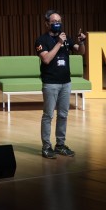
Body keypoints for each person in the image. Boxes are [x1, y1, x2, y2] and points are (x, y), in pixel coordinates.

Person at [35, 9, 87, 159]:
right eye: (54, 22)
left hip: (66, 82)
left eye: (59, 21)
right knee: (48, 115)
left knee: (63, 115)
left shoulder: (66, 38)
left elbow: (80, 51)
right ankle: (46, 147)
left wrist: (81, 42)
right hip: (51, 83)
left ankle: (60, 145)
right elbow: (46, 59)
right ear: (47, 24)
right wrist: (59, 43)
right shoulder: (41, 40)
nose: (57, 24)